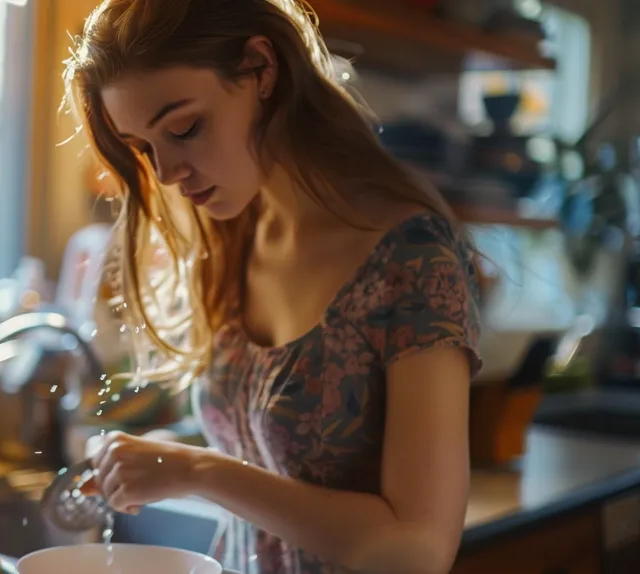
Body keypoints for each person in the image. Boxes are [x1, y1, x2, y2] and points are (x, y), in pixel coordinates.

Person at [66, 1, 483, 572]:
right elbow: (266, 452)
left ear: (262, 70)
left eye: (185, 127)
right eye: (144, 147)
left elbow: (417, 549)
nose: (166, 174)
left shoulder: (411, 257)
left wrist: (195, 471)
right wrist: (148, 461)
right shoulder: (232, 237)